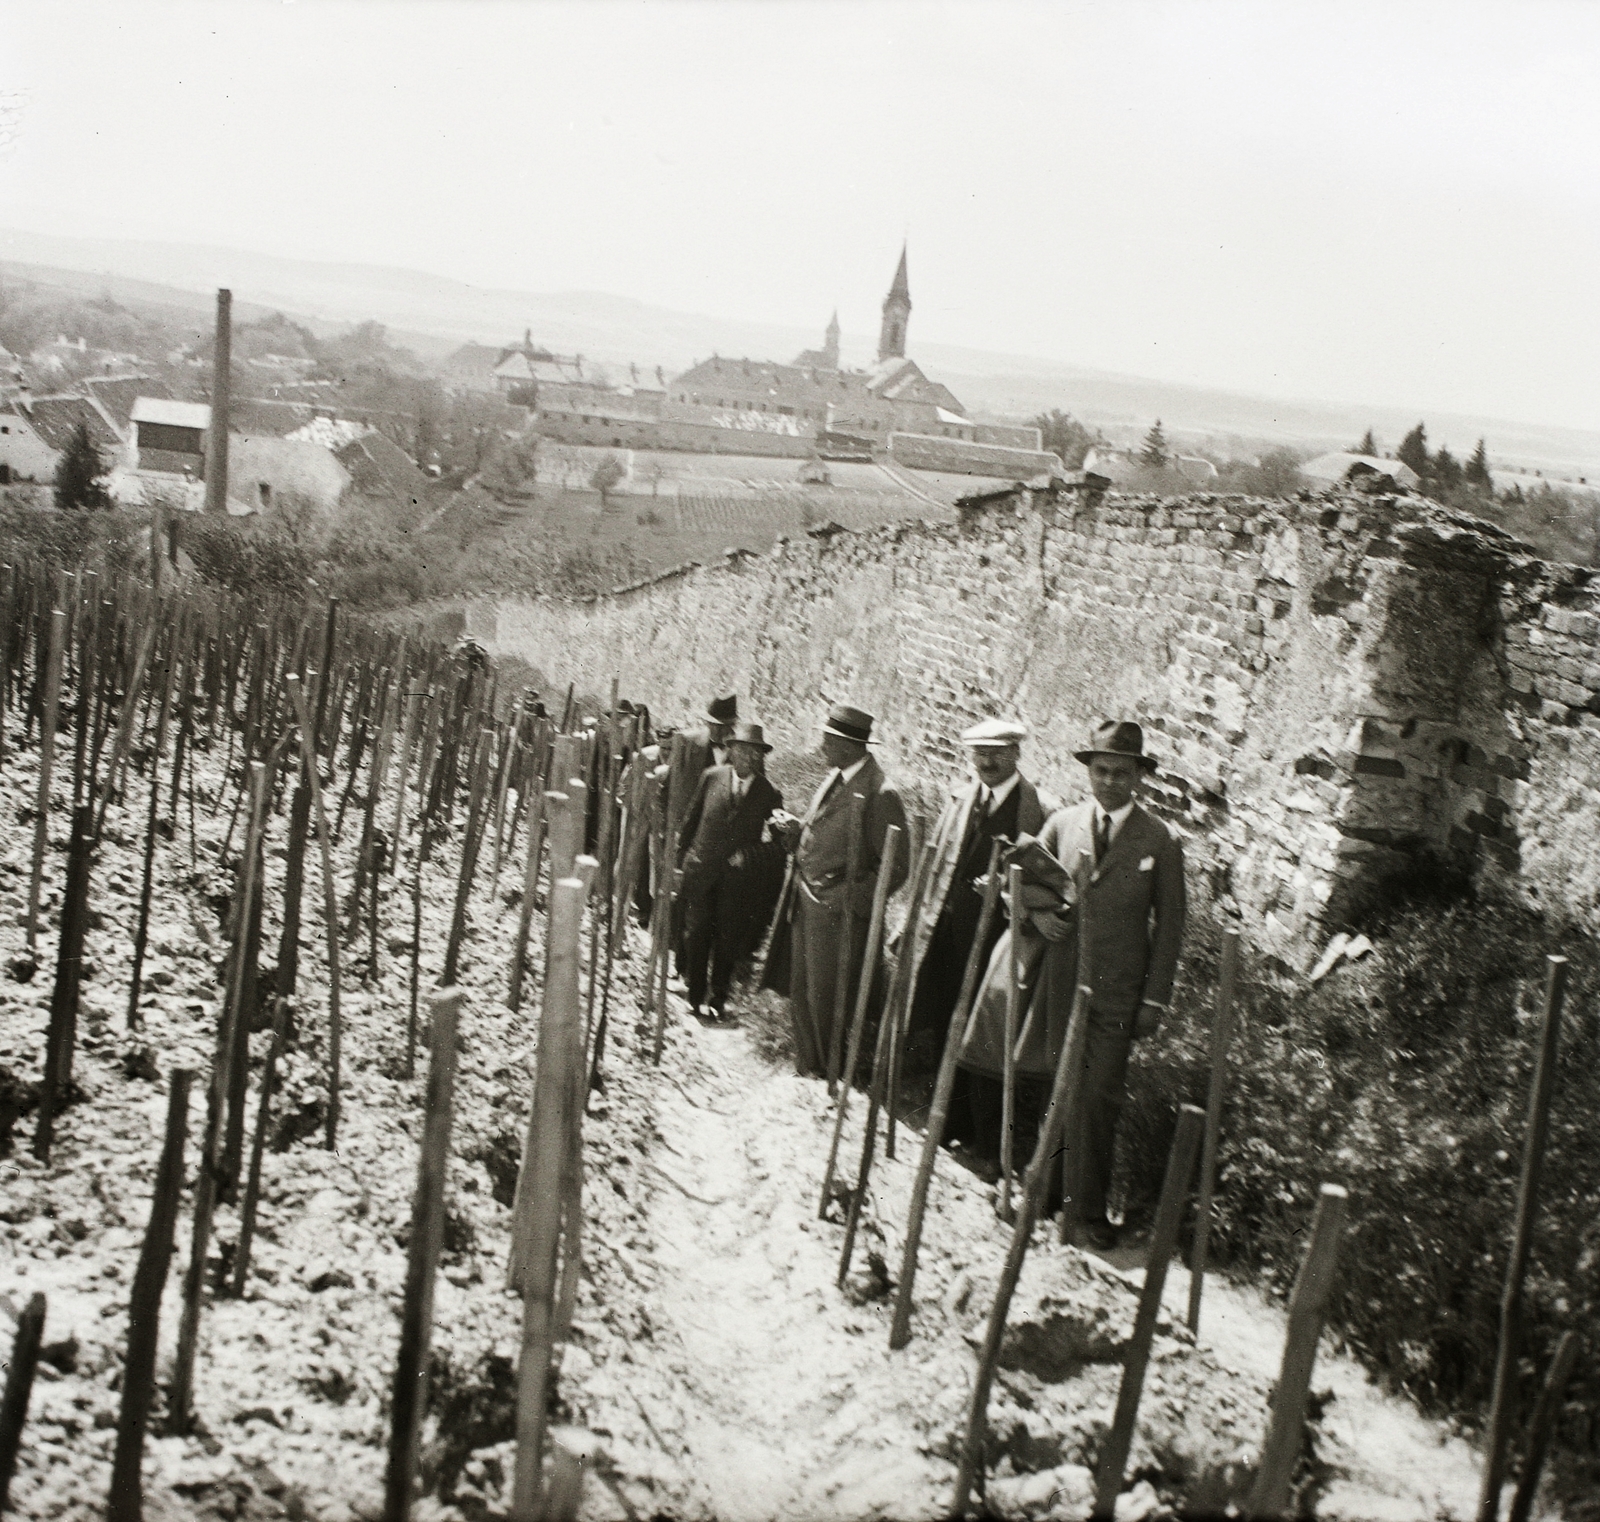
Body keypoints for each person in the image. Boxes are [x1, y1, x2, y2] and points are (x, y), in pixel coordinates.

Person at [984, 719, 1185, 1251]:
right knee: (1057, 1088)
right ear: (1089, 772)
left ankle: (1088, 1211)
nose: (1110, 781)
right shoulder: (1062, 824)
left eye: (1122, 773)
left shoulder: (1158, 841)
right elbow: (1017, 886)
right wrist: (1035, 918)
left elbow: (1170, 926)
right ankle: (1044, 1192)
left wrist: (1153, 999)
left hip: (1116, 994)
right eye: (1101, 771)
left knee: (1098, 1098)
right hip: (1060, 983)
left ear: (1139, 777)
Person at [903, 719, 1057, 1147]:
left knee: (986, 1033)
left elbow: (1050, 885)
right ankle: (946, 1121)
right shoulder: (960, 798)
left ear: (1016, 754)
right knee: (941, 1018)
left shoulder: (1040, 810)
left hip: (999, 941)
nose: (987, 761)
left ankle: (986, 1137)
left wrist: (1010, 890)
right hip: (948, 931)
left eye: (998, 753)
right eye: (979, 753)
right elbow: (933, 864)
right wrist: (913, 922)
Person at [767, 703, 909, 1082]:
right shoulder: (836, 777)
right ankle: (808, 1069)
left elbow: (895, 865)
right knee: (802, 991)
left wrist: (848, 898)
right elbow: (828, 831)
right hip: (806, 899)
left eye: (828, 739)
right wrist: (797, 831)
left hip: (836, 913)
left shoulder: (881, 792)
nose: (822, 744)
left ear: (849, 745)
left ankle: (832, 1076)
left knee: (828, 999)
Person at [675, 722, 784, 1020]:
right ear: (731, 752)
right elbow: (690, 822)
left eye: (754, 754)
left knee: (726, 939)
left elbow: (779, 844)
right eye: (741, 751)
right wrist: (678, 863)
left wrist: (747, 855)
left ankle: (718, 998)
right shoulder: (712, 777)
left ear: (761, 758)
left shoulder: (769, 794)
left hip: (737, 883)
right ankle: (694, 995)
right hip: (700, 872)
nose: (747, 758)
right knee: (696, 935)